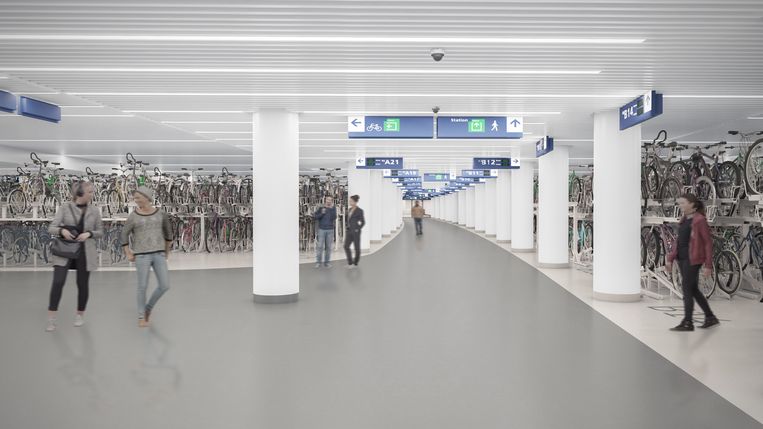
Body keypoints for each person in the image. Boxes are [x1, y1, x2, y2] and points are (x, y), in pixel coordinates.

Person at [46, 181, 104, 332]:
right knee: (58, 282)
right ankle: (51, 319)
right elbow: (51, 227)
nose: (92, 194)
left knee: (82, 284)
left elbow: (100, 231)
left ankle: (80, 315)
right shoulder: (65, 207)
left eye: (92, 191)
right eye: (89, 191)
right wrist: (62, 231)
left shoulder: (95, 211)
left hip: (85, 251)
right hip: (64, 250)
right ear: (79, 193)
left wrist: (89, 233)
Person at [121, 187, 174, 328]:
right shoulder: (133, 216)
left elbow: (168, 234)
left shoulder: (161, 214)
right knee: (142, 286)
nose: (136, 200)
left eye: (138, 197)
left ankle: (148, 308)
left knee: (164, 285)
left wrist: (167, 251)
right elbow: (124, 233)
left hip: (159, 253)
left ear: (147, 197)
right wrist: (127, 252)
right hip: (141, 255)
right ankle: (141, 315)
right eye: (135, 197)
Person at [666, 193, 719, 331]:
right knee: (693, 289)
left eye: (683, 203)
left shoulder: (699, 220)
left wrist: (708, 265)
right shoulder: (684, 220)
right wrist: (671, 258)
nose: (680, 206)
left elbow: (708, 243)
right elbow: (679, 241)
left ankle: (688, 322)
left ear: (692, 204)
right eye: (679, 203)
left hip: (693, 260)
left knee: (686, 289)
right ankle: (710, 317)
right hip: (682, 259)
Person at [314, 196, 337, 268]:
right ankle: (318, 262)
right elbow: (315, 216)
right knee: (320, 246)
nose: (329, 201)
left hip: (330, 230)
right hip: (321, 230)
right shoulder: (321, 207)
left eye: (330, 200)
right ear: (325, 200)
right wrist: (322, 213)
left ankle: (327, 263)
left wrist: (332, 209)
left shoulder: (333, 208)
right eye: (327, 199)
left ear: (332, 201)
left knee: (328, 247)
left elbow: (334, 217)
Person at [344, 194, 365, 268]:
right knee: (346, 246)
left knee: (357, 248)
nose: (350, 202)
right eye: (350, 201)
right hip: (349, 231)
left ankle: (355, 263)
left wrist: (357, 228)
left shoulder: (360, 211)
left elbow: (363, 222)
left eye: (351, 201)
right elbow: (348, 219)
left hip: (356, 232)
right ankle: (350, 262)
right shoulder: (349, 210)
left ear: (355, 202)